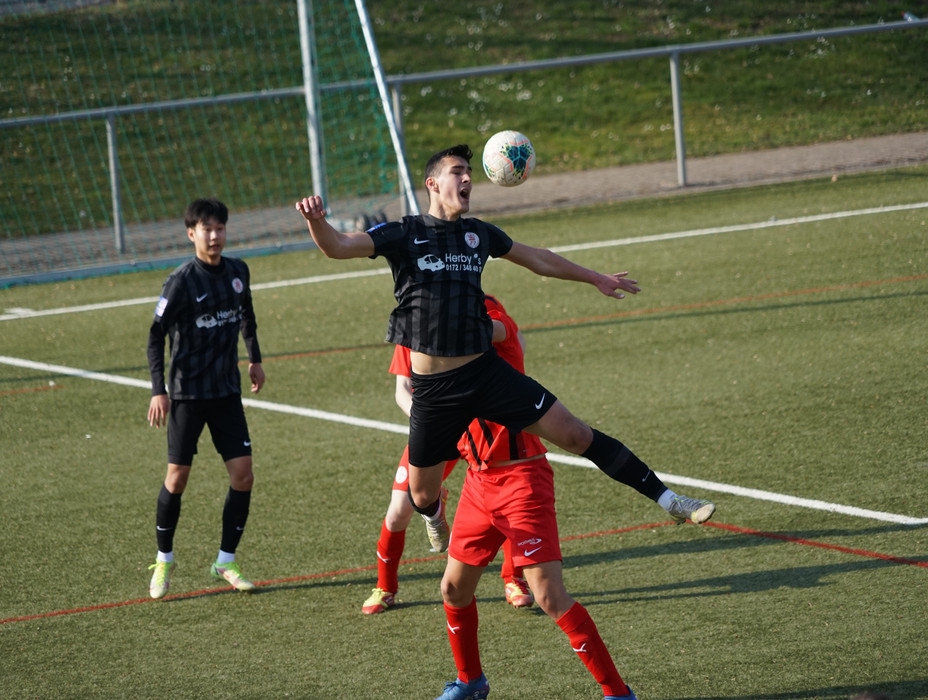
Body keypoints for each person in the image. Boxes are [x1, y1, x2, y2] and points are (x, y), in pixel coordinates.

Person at [294, 143, 714, 546]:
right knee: (420, 495)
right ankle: (435, 515)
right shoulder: (404, 233)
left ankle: (669, 499)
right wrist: (316, 221)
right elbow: (338, 246)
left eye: (469, 173)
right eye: (457, 172)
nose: (467, 179)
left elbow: (539, 258)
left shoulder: (479, 234)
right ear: (432, 184)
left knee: (574, 434)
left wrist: (596, 278)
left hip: (486, 374)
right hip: (434, 392)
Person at [437, 294, 636, 700]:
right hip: (478, 481)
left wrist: (434, 328)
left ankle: (618, 693)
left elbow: (494, 332)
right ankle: (470, 682)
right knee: (454, 589)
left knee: (548, 596)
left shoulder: (488, 314)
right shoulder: (431, 322)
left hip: (521, 479)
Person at [362, 296, 535, 616]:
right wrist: (429, 423)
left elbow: (516, 341)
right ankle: (385, 586)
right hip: (439, 427)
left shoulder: (483, 307)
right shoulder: (413, 319)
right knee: (399, 510)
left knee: (507, 501)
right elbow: (402, 389)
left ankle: (514, 579)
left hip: (484, 429)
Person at [145, 197, 266, 599]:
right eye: (206, 229)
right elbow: (155, 335)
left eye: (220, 228)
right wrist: (159, 390)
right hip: (187, 394)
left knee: (243, 475)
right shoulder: (180, 282)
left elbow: (246, 313)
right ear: (191, 234)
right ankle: (164, 559)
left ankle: (225, 561)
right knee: (177, 478)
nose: (214, 236)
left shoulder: (238, 271)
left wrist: (254, 359)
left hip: (226, 391)